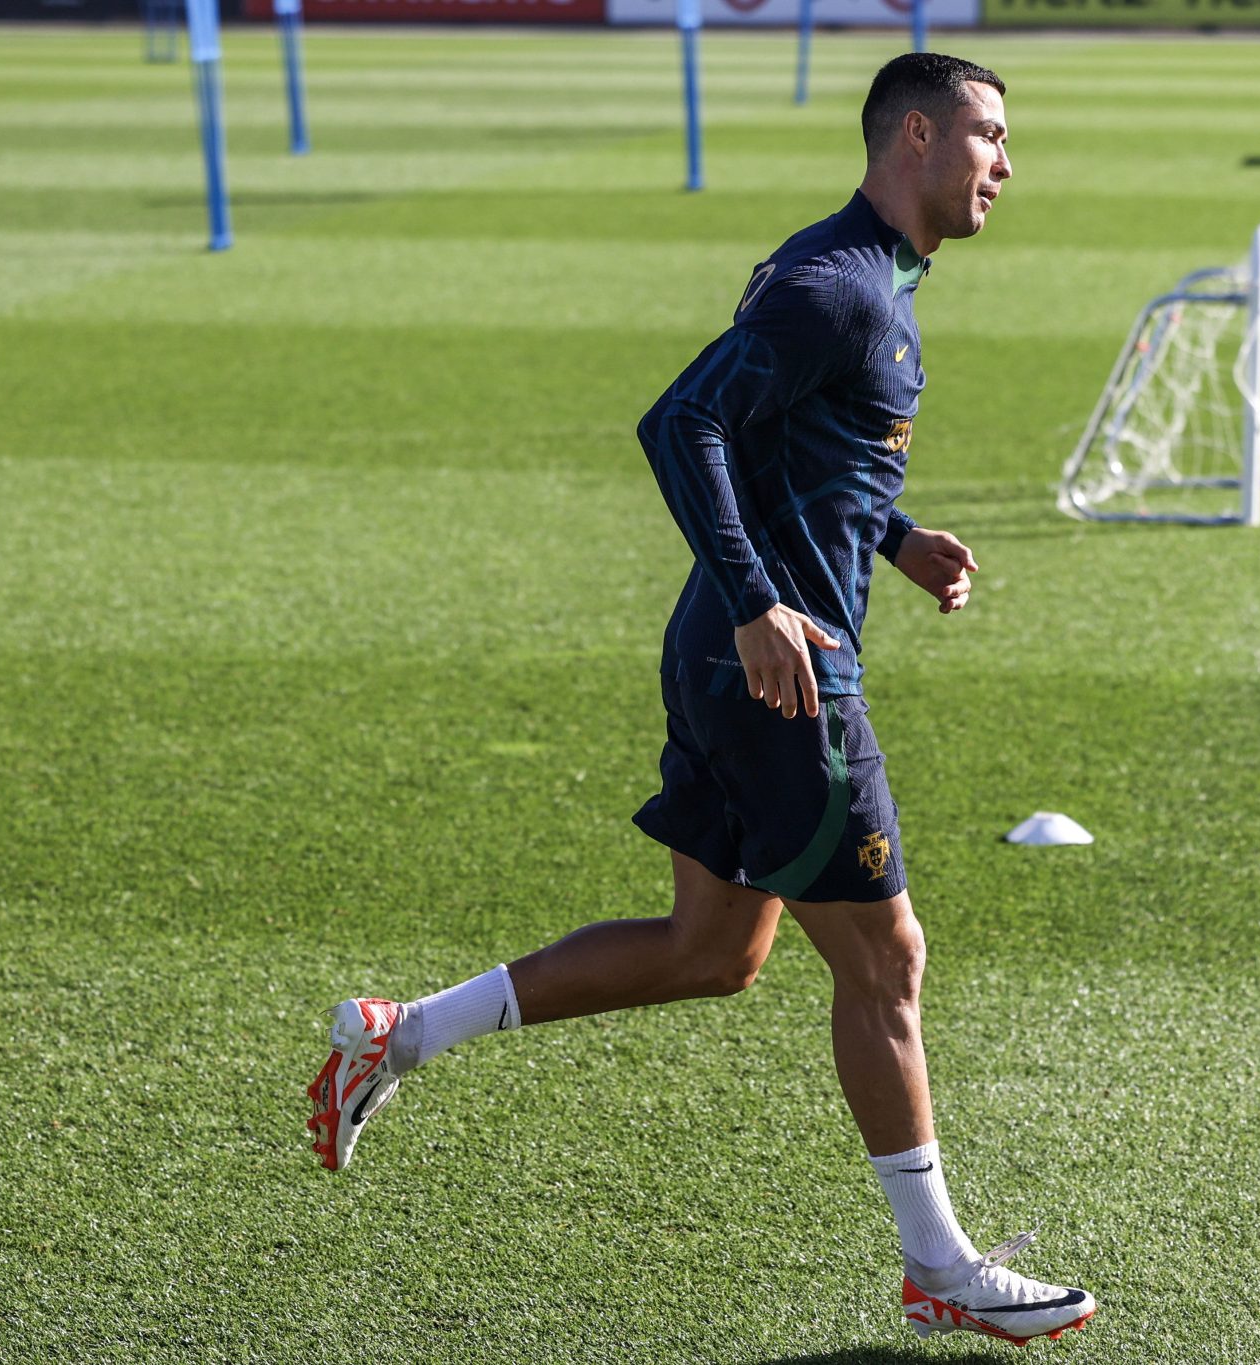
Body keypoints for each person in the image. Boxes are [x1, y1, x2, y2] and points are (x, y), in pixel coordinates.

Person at [307, 52, 1094, 1347]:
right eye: (989, 136)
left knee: (712, 953)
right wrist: (757, 599)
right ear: (914, 135)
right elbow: (682, 423)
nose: (1006, 164)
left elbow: (791, 441)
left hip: (736, 662)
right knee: (888, 960)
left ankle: (398, 1037)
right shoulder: (838, 287)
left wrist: (892, 535)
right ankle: (939, 1267)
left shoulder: (864, 277)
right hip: (781, 675)